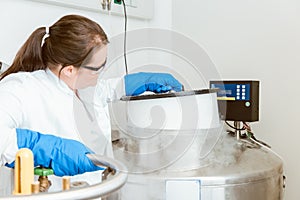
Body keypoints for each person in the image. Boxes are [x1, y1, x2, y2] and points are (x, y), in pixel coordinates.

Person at [0, 14, 182, 181]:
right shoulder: (22, 89)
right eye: (97, 68)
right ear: (69, 70)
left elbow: (106, 89)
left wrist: (139, 82)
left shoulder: (82, 87)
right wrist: (47, 148)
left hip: (99, 190)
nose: (100, 73)